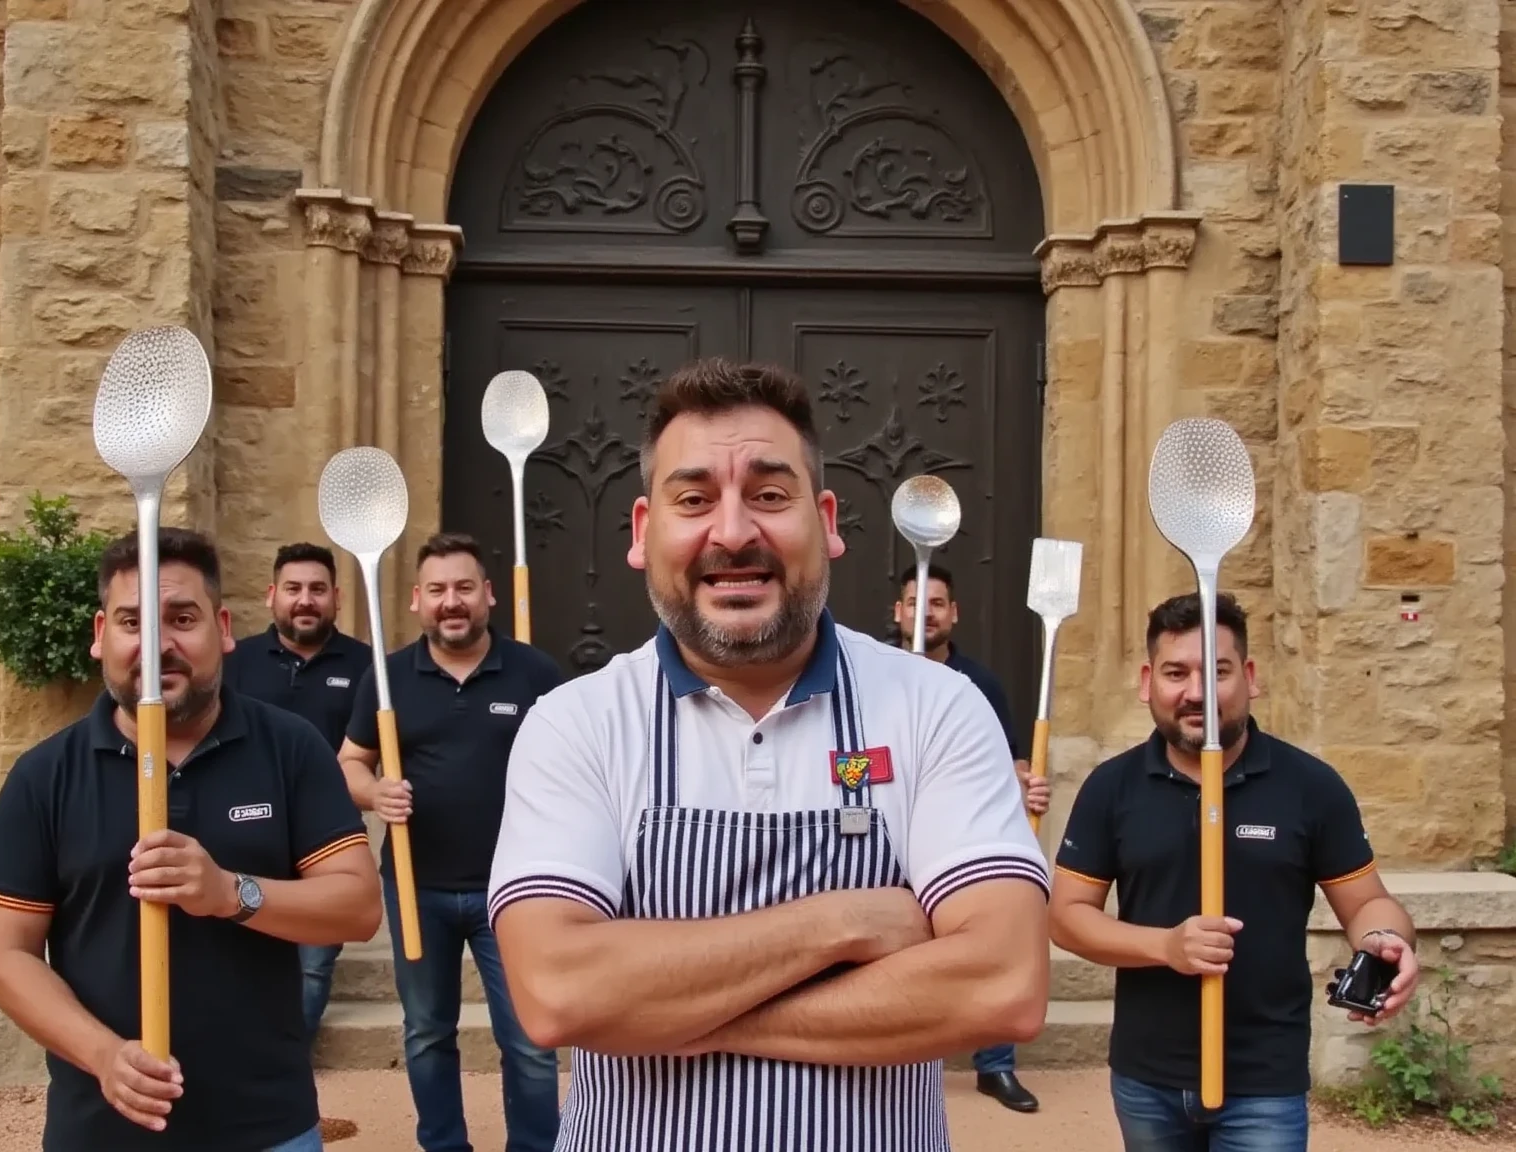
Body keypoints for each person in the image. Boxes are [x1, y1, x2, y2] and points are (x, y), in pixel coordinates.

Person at [487, 357, 1051, 1151]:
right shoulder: (576, 724)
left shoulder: (936, 708)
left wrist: (678, 1014)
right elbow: (556, 995)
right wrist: (846, 920)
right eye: (694, 499)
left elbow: (1003, 985)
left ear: (825, 521)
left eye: (769, 495)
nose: (733, 531)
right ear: (645, 533)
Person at [0, 527, 381, 1152]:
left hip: (265, 1129)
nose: (157, 644)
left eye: (182, 618)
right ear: (100, 635)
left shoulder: (290, 747)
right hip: (100, 1135)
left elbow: (357, 906)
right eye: (132, 621)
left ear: (222, 629)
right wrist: (104, 1056)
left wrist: (230, 892)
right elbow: (4, 955)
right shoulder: (45, 776)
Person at [1048, 591, 1421, 1151]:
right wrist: (1166, 947)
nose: (1195, 692)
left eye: (1217, 672)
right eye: (1176, 673)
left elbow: (1368, 902)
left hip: (1265, 1079)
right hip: (1148, 1075)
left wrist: (1385, 939)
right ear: (1147, 682)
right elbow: (1066, 916)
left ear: (1249, 676)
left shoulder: (1310, 787)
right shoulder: (1112, 787)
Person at [336, 532, 563, 1152]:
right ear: (417, 601)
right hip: (417, 886)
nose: (451, 601)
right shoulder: (387, 679)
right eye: (437, 590)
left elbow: (576, 765)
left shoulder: (534, 673)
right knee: (428, 1032)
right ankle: (444, 1145)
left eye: (464, 587)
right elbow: (349, 762)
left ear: (488, 594)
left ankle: (535, 1146)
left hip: (514, 889)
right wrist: (375, 793)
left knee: (530, 1038)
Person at [894, 560, 1049, 1114]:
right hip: (891, 837)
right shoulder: (871, 677)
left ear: (953, 614)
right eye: (916, 604)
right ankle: (907, 1066)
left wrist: (1023, 788)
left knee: (991, 932)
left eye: (936, 604)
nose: (925, 614)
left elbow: (1013, 762)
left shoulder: (979, 684)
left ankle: (996, 1066)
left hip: (958, 833)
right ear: (898, 611)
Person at [224, 541, 373, 1043]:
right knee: (239, 954)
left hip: (326, 840)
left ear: (337, 597)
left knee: (312, 965)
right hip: (246, 831)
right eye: (293, 589)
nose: (304, 600)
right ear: (272, 596)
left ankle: (288, 1060)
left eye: (316, 590)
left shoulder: (368, 667)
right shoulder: (235, 663)